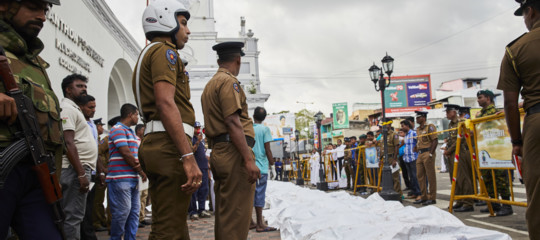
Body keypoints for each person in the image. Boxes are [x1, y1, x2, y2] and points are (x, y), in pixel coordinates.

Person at [133, 0, 203, 238]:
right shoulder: (165, 52)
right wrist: (187, 156)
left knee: (174, 224)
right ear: (166, 21)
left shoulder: (150, 52)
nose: (188, 30)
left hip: (159, 142)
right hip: (168, 145)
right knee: (168, 230)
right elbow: (165, 102)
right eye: (183, 23)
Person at [0, 0, 64, 238]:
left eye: (45, 10)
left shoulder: (33, 60)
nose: (43, 17)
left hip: (35, 171)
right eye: (34, 6)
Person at [201, 41, 260, 239]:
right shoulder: (228, 82)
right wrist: (248, 159)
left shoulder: (210, 85)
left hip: (220, 150)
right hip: (233, 152)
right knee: (237, 217)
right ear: (238, 59)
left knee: (226, 215)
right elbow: (233, 121)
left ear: (219, 60)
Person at [498, 0, 540, 235]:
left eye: (523, 15)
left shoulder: (516, 49)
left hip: (537, 121)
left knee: (537, 196)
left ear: (530, 11)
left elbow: (510, 104)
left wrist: (516, 141)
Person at [60, 74, 98, 239]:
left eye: (85, 86)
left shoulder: (75, 109)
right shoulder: (67, 108)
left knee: (76, 216)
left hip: (79, 169)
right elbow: (68, 142)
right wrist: (81, 173)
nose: (84, 89)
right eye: (79, 86)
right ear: (68, 90)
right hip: (74, 169)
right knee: (73, 217)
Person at [107, 104, 147, 239]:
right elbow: (126, 153)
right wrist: (141, 171)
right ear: (130, 115)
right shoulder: (118, 129)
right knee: (122, 213)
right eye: (136, 114)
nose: (137, 118)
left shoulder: (130, 132)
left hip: (131, 178)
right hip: (120, 177)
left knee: (134, 213)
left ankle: (131, 238)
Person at [476, 89, 513, 216]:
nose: (478, 100)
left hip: (497, 150)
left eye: (480, 97)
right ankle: (494, 204)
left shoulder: (497, 112)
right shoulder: (479, 115)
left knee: (500, 179)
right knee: (487, 179)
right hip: (485, 151)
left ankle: (507, 205)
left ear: (488, 98)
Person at [77, 95, 104, 240]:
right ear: (81, 107)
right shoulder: (80, 122)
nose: (93, 110)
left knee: (89, 206)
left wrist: (100, 172)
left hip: (92, 171)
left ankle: (88, 233)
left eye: (94, 107)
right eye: (90, 107)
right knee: (81, 209)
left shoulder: (92, 124)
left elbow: (96, 150)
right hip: (81, 169)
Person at [249, 107, 277, 233]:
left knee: (249, 195)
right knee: (259, 195)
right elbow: (268, 149)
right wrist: (272, 165)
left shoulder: (248, 129)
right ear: (264, 118)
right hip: (261, 167)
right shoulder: (265, 129)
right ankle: (260, 223)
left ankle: (250, 221)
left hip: (249, 167)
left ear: (253, 116)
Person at [444, 104, 474, 212]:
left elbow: (460, 139)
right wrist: (447, 149)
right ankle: (459, 200)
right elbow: (451, 139)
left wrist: (449, 150)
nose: (446, 114)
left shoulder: (462, 122)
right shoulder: (450, 124)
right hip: (452, 152)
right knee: (454, 178)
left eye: (448, 112)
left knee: (463, 177)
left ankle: (468, 202)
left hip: (460, 152)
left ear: (454, 112)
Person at [413, 111, 438, 206]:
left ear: (423, 117)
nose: (417, 119)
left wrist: (431, 153)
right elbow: (419, 141)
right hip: (420, 153)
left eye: (418, 117)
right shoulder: (418, 129)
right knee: (420, 176)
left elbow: (434, 140)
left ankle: (432, 197)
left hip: (428, 152)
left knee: (430, 176)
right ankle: (424, 196)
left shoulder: (430, 127)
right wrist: (416, 147)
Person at [188, 121, 212, 220]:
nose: (197, 130)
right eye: (195, 128)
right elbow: (191, 151)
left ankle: (202, 209)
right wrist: (197, 142)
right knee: (195, 190)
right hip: (195, 167)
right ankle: (193, 211)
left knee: (204, 189)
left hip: (203, 167)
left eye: (198, 127)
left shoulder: (202, 140)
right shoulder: (191, 139)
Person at [92, 118, 109, 232]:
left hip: (103, 172)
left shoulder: (99, 140)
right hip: (99, 173)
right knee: (97, 200)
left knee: (100, 199)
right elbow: (97, 153)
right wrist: (102, 170)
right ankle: (96, 222)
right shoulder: (100, 142)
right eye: (100, 126)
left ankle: (102, 219)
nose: (102, 128)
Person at [135, 123, 151, 227]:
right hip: (138, 172)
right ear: (138, 131)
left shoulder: (143, 142)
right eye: (143, 130)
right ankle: (136, 219)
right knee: (138, 196)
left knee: (144, 196)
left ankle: (142, 217)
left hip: (144, 172)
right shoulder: (135, 141)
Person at [401, 120, 421, 201]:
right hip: (407, 158)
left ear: (407, 126)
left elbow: (419, 141)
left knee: (415, 176)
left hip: (413, 158)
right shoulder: (406, 135)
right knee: (411, 177)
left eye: (403, 126)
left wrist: (416, 147)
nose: (402, 128)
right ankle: (414, 192)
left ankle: (419, 193)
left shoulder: (413, 133)